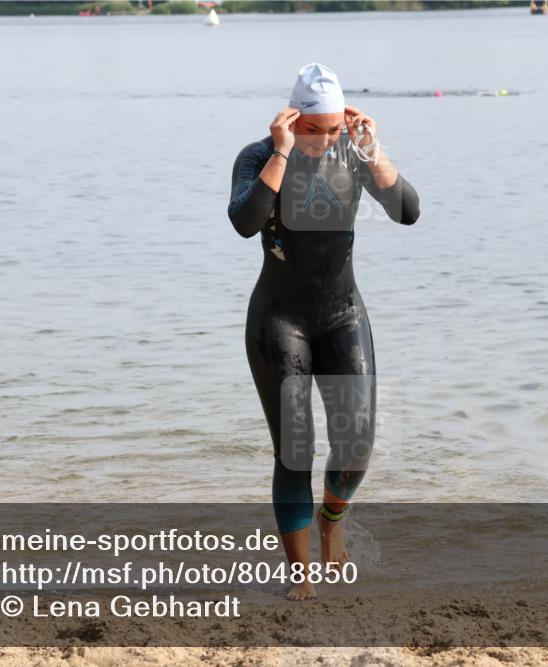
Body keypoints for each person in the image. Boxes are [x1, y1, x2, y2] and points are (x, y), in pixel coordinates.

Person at [227, 63, 420, 600]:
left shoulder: (352, 156)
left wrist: (370, 148)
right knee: (295, 449)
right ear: (293, 121)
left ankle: (332, 520)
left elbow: (408, 211)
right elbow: (245, 221)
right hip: (279, 320)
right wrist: (284, 151)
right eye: (316, 130)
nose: (327, 140)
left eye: (335, 129)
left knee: (356, 445)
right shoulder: (258, 156)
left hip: (341, 315)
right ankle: (300, 575)